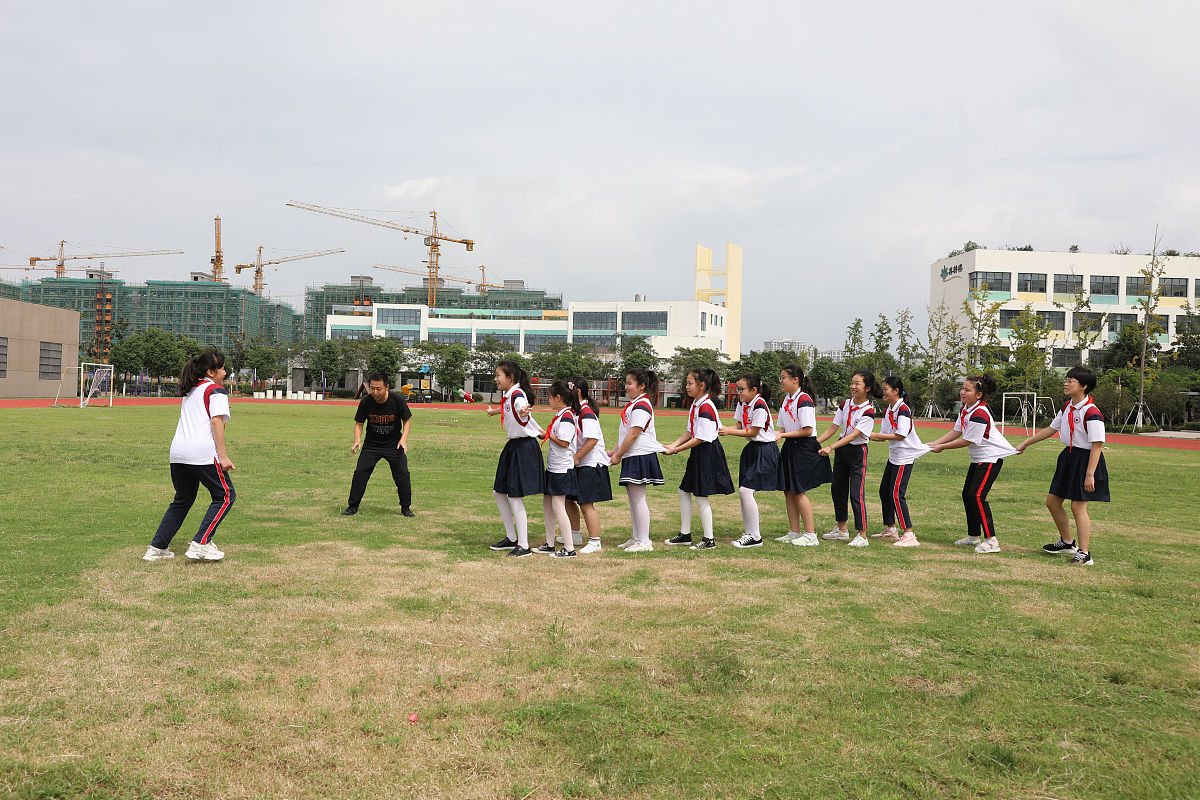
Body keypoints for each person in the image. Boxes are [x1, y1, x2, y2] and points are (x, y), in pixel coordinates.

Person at [143, 349, 236, 562]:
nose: (225, 371)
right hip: (201, 452)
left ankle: (157, 547)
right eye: (221, 368)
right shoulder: (216, 391)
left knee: (183, 499)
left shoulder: (192, 390)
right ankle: (201, 543)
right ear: (211, 372)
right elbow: (216, 422)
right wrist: (222, 456)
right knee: (225, 496)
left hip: (178, 453)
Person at [1015, 365, 1109, 566]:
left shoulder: (1092, 412)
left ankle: (1084, 553)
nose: (1066, 383)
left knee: (1078, 506)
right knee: (1052, 502)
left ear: (1083, 386)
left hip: (1086, 460)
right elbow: (1051, 429)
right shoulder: (1067, 407)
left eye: (1071, 381)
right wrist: (1026, 443)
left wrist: (1090, 474)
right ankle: (1067, 543)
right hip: (1068, 456)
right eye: (1066, 379)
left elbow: (1097, 446)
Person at [927, 374, 1018, 554]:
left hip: (990, 459)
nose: (962, 392)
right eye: (962, 388)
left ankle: (992, 540)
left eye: (967, 390)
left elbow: (967, 440)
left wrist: (942, 447)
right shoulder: (966, 409)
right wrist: (934, 443)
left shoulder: (980, 413)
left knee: (976, 496)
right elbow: (956, 432)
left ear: (978, 394)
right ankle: (973, 536)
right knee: (967, 495)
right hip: (978, 459)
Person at [664, 368, 735, 551]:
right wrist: (672, 445)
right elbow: (690, 432)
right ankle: (685, 535)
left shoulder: (705, 406)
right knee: (684, 490)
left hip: (707, 452)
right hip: (699, 451)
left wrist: (676, 450)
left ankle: (709, 539)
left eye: (690, 383)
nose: (686, 386)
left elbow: (701, 438)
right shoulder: (697, 404)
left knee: (701, 496)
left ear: (701, 385)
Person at [485, 360, 543, 558]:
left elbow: (520, 407)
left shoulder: (518, 395)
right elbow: (510, 408)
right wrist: (495, 411)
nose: (495, 379)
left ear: (510, 377)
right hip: (513, 446)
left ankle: (524, 546)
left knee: (515, 497)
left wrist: (523, 411)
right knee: (499, 492)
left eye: (498, 375)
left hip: (523, 447)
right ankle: (511, 538)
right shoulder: (510, 395)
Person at [818, 371, 881, 547]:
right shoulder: (845, 404)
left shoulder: (868, 411)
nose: (853, 386)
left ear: (867, 388)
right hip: (842, 451)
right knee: (837, 490)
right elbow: (834, 427)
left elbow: (854, 435)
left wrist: (830, 447)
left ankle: (862, 536)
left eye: (857, 384)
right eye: (852, 383)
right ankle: (842, 530)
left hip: (857, 452)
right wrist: (816, 442)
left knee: (856, 494)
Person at [773, 365, 832, 547]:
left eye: (784, 377)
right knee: (788, 490)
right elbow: (783, 427)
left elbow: (807, 430)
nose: (781, 381)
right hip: (791, 446)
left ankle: (811, 534)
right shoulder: (786, 400)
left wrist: (782, 435)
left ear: (795, 380)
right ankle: (794, 531)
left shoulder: (804, 400)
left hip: (803, 447)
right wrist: (776, 434)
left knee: (798, 490)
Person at [718, 373, 779, 548]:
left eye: (742, 389)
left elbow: (752, 431)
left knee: (746, 491)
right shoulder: (743, 403)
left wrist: (728, 432)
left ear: (754, 390)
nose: (739, 392)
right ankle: (749, 533)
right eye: (738, 388)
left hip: (765, 450)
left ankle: (755, 537)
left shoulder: (759, 405)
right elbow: (738, 425)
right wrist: (720, 428)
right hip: (752, 449)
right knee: (744, 492)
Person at [608, 368, 665, 553]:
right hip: (632, 455)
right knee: (633, 500)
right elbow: (625, 433)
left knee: (639, 499)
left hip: (640, 455)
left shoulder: (642, 405)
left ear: (642, 386)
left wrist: (618, 455)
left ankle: (645, 541)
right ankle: (636, 537)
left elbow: (633, 434)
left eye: (630, 383)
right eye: (626, 383)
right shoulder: (635, 404)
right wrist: (614, 451)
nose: (627, 387)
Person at [869, 375, 929, 547]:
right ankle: (891, 529)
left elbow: (901, 435)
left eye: (886, 389)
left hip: (904, 456)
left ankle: (909, 534)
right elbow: (884, 435)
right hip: (894, 456)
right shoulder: (890, 409)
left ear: (896, 391)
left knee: (896, 494)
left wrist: (877, 435)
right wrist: (865, 434)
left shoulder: (903, 409)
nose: (883, 392)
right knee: (884, 491)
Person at [342, 372, 413, 517]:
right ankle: (352, 506)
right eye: (372, 388)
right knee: (360, 473)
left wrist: (403, 439)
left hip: (394, 445)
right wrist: (357, 439)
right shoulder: (366, 401)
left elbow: (407, 420)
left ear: (387, 387)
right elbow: (359, 424)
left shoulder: (397, 400)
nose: (375, 392)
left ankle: (405, 508)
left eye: (378, 388)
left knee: (402, 475)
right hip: (372, 445)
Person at [561, 376, 611, 554]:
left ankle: (595, 541)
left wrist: (577, 457)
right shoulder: (576, 411)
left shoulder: (586, 412)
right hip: (582, 463)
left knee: (586, 503)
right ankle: (574, 534)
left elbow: (592, 440)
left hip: (590, 463)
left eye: (568, 389)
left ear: (578, 391)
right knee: (567, 498)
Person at [536, 381, 581, 559]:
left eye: (549, 397)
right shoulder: (561, 416)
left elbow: (564, 442)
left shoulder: (568, 417)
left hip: (562, 469)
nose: (548, 401)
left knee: (558, 506)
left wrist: (546, 435)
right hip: (554, 467)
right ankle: (549, 543)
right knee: (548, 504)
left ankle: (569, 548)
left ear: (558, 397)